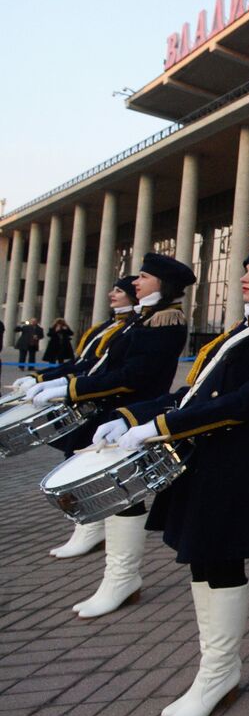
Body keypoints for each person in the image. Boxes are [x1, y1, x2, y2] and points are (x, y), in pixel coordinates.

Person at [93, 244, 249, 716]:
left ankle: (219, 672)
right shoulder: (246, 330)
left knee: (222, 557)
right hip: (202, 456)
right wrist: (131, 417)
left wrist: (165, 425)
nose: (245, 279)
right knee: (202, 557)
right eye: (245, 271)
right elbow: (193, 391)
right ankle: (214, 669)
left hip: (235, 461)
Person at [27, 256, 194, 615]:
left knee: (125, 494)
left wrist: (70, 390)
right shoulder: (143, 319)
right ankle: (115, 572)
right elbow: (99, 364)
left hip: (134, 413)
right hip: (113, 413)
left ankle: (123, 578)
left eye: (144, 277)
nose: (136, 282)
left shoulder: (166, 321)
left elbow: (132, 376)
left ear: (162, 283)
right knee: (114, 493)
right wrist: (53, 381)